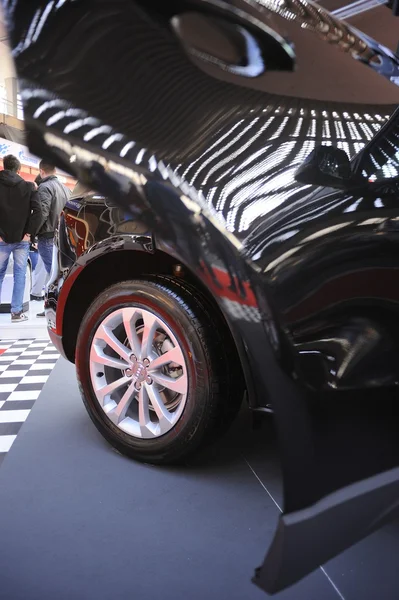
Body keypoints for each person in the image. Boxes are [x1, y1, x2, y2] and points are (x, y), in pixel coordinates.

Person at [0, 154, 42, 322]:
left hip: (1, 240)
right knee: (20, 275)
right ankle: (16, 313)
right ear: (18, 170)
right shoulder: (28, 187)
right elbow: (38, 212)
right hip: (21, 240)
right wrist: (29, 233)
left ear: (4, 166)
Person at [35, 160, 70, 317]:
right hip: (62, 236)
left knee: (53, 275)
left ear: (41, 171)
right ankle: (59, 308)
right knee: (60, 274)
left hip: (47, 236)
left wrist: (31, 232)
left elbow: (42, 213)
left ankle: (55, 309)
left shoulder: (44, 187)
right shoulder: (65, 188)